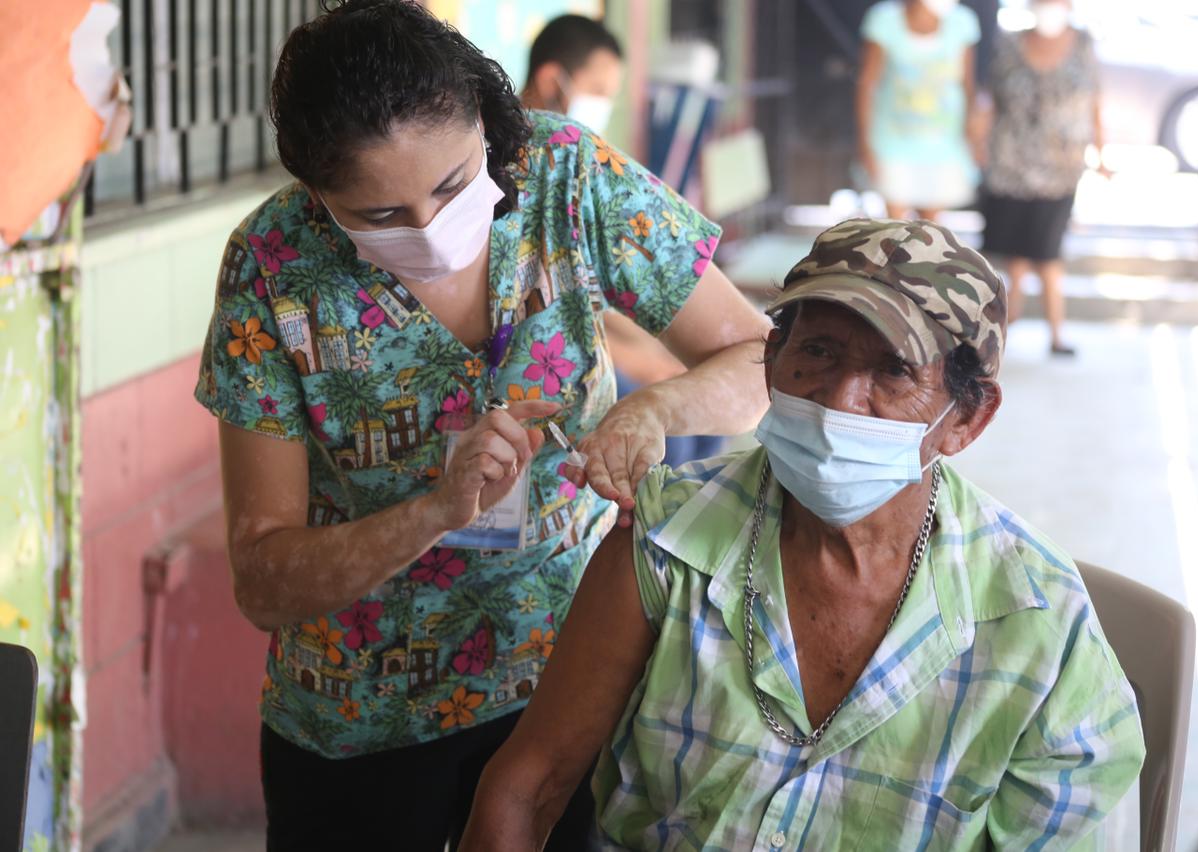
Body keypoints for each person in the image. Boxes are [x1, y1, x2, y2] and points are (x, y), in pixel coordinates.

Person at [192, 1, 770, 848]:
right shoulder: (273, 266)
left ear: (490, 129)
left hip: (575, 683)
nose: (427, 230)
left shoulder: (566, 175)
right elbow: (264, 580)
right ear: (316, 196)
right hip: (364, 726)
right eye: (379, 217)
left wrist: (657, 409)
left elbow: (756, 358)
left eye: (453, 186)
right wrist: (431, 511)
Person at [461, 219, 1145, 850]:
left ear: (967, 419)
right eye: (817, 350)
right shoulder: (667, 537)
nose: (841, 398)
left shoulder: (1041, 625)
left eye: (893, 371)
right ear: (771, 360)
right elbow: (529, 785)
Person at [521, 14, 725, 469]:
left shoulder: (583, 172)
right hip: (549, 361)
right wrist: (640, 362)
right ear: (554, 79)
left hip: (595, 337)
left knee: (701, 416)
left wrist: (659, 351)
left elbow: (605, 290)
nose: (602, 108)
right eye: (599, 92)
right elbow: (532, 319)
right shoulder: (517, 174)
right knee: (674, 442)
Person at [980, 0, 1105, 356]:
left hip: (1060, 170)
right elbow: (991, 100)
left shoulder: (1082, 45)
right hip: (1010, 166)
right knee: (1016, 253)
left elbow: (1095, 100)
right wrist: (977, 139)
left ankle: (1055, 334)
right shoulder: (1009, 46)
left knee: (1048, 253)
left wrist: (1100, 151)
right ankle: (1011, 316)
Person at [856, 0, 983, 220]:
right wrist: (865, 143)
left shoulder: (962, 22)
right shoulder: (885, 20)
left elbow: (968, 84)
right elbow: (867, 83)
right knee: (894, 230)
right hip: (892, 143)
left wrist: (976, 135)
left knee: (930, 233)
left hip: (944, 145)